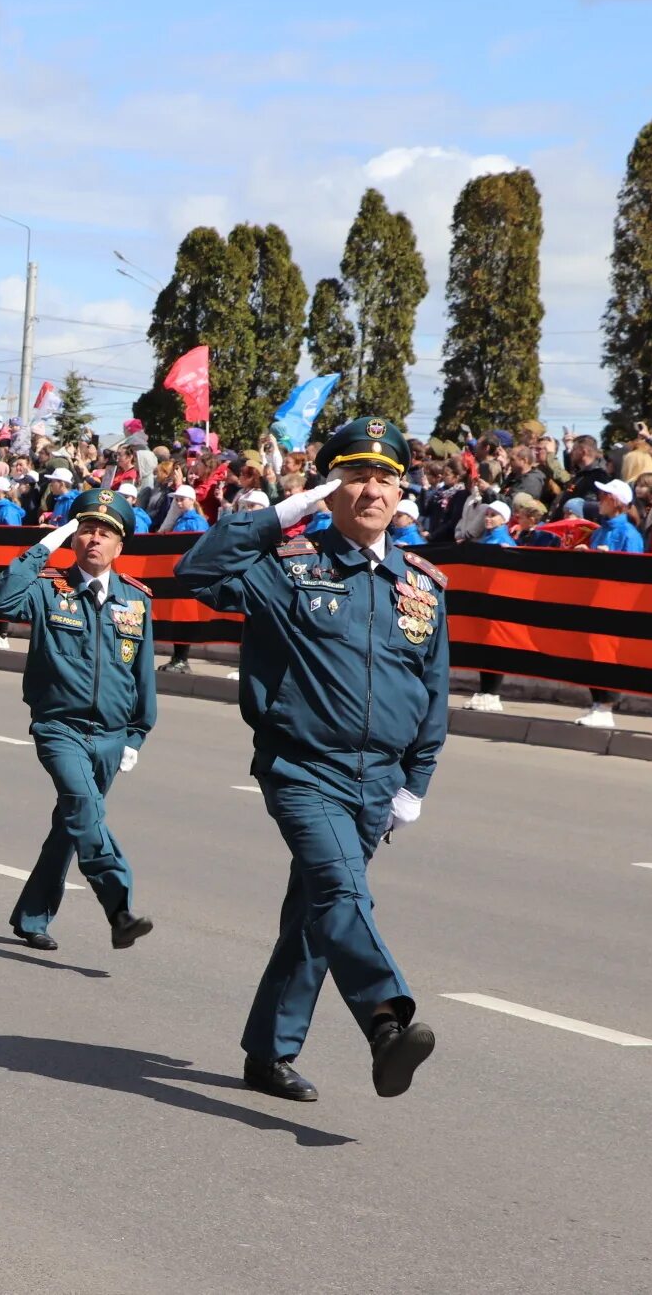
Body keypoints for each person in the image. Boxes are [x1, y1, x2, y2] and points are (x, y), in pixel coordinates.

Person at [175, 415, 443, 1103]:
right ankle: (386, 1019)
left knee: (316, 912)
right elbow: (197, 571)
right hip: (304, 766)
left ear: (402, 490)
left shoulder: (422, 586)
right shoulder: (293, 568)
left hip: (378, 779)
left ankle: (268, 1051)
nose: (372, 488)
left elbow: (430, 690)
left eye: (385, 476)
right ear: (332, 487)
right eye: (355, 474)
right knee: (340, 893)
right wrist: (281, 512)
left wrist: (414, 783)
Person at [0, 488, 156, 952]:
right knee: (84, 808)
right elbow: (2, 601)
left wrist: (136, 736)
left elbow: (142, 673)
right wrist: (47, 543)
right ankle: (118, 907)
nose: (94, 540)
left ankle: (31, 917)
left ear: (120, 546)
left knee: (72, 824)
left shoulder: (136, 601)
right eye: (85, 530)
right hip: (60, 728)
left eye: (105, 533)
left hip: (112, 735)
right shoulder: (47, 587)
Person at [587, 479, 644, 553]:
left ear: (615, 501)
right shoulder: (597, 532)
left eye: (603, 495)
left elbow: (634, 564)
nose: (599, 500)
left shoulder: (631, 535)